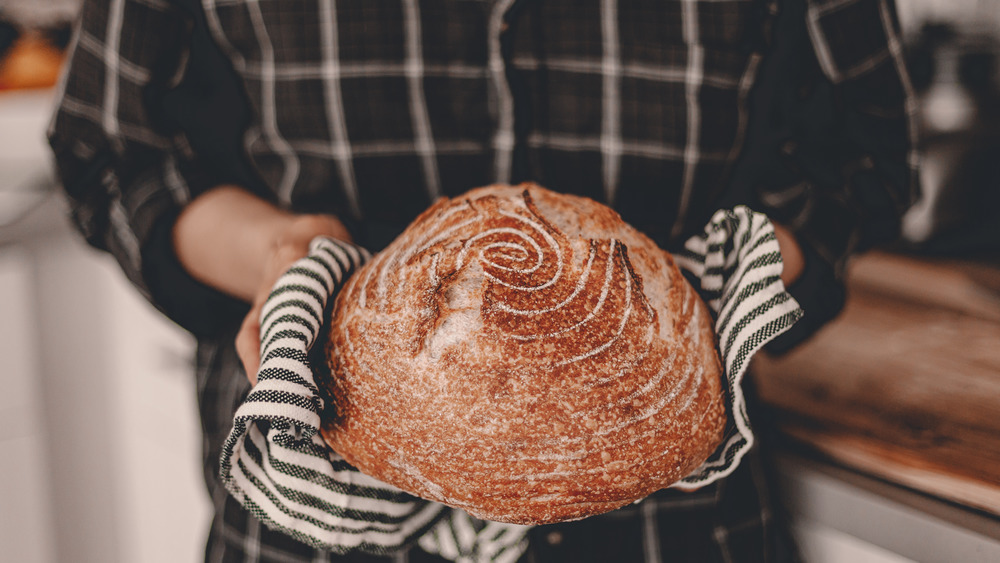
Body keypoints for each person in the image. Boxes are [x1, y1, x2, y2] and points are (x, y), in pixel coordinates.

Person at [48, 0, 917, 561]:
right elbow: (114, 150)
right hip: (313, 539)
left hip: (679, 530)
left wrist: (700, 304)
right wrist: (281, 253)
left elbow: (862, 155)